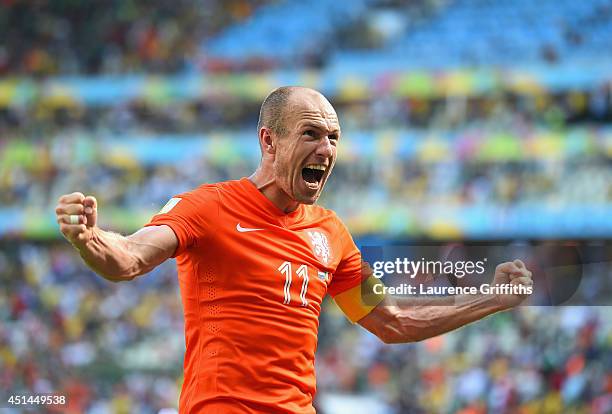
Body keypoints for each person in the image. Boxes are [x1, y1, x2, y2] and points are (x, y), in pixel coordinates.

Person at [55, 86, 533, 413]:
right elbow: (130, 258)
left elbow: (392, 323)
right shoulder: (208, 207)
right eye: (310, 134)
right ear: (269, 141)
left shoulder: (332, 233)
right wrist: (91, 238)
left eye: (333, 137)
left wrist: (492, 298)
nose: (326, 148)